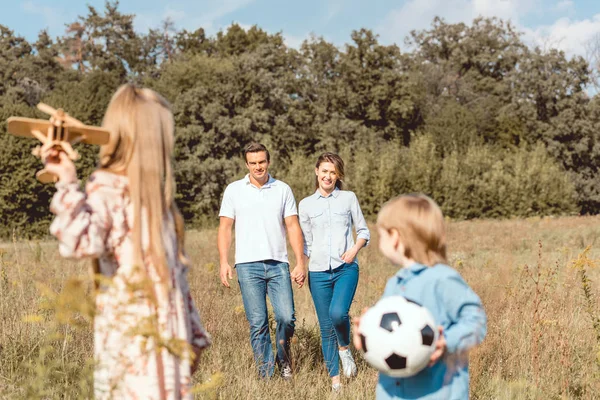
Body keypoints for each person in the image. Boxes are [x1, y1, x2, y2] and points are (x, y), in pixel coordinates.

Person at [44, 84, 211, 400]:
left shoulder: (158, 203)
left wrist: (193, 336)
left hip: (169, 350)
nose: (167, 145)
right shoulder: (108, 191)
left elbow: (175, 277)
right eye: (162, 135)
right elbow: (77, 243)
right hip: (132, 353)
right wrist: (67, 180)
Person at [353, 194, 487, 400]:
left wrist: (445, 341)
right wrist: (366, 331)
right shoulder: (395, 283)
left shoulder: (442, 278)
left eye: (382, 235)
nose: (380, 242)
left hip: (436, 393)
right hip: (392, 393)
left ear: (395, 238)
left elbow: (477, 322)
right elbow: (388, 331)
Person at [218, 143, 306, 380]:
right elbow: (225, 227)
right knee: (258, 323)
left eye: (262, 162)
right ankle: (266, 374)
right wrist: (224, 261)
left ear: (268, 161)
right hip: (247, 266)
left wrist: (300, 262)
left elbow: (292, 226)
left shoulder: (282, 189)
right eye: (253, 163)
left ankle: (284, 360)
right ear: (246, 164)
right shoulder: (234, 190)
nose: (258, 166)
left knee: (286, 317)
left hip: (278, 263)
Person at [298, 152, 370, 392]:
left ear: (338, 175)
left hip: (346, 268)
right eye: (324, 171)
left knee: (339, 314)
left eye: (333, 172)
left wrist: (354, 249)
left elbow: (363, 231)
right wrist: (301, 265)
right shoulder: (306, 204)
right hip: (317, 272)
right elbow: (306, 242)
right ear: (316, 171)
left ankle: (345, 348)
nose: (328, 176)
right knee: (325, 326)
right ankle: (336, 382)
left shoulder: (348, 198)